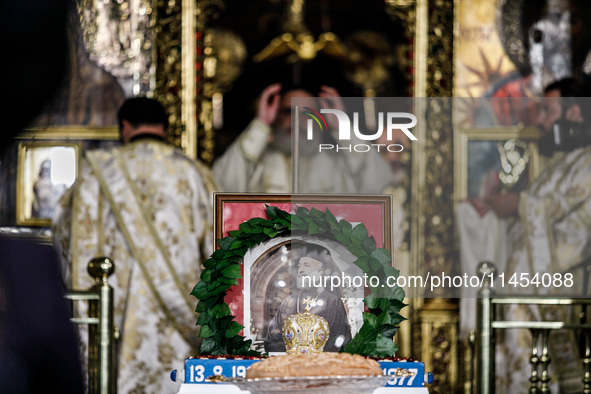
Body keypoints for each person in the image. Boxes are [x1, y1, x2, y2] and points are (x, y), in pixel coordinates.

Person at [52, 97, 217, 393]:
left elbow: (64, 237)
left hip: (113, 323)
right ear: (165, 129)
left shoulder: (93, 175)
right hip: (180, 327)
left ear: (124, 127)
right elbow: (219, 252)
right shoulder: (196, 174)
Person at [481, 78, 591, 392]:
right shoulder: (563, 165)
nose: (539, 120)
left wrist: (521, 204)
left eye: (546, 110)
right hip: (521, 297)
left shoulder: (587, 162)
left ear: (574, 113)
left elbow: (581, 227)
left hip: (556, 299)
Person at [211, 82, 392, 194]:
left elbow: (379, 183)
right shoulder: (256, 164)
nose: (297, 121)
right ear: (275, 117)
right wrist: (260, 125)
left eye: (307, 114)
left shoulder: (338, 163)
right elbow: (221, 185)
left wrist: (343, 128)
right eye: (288, 112)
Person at [264, 243, 352, 353]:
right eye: (299, 266)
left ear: (320, 271)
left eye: (306, 265)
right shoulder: (288, 302)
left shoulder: (333, 302)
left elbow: (343, 342)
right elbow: (272, 339)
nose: (300, 270)